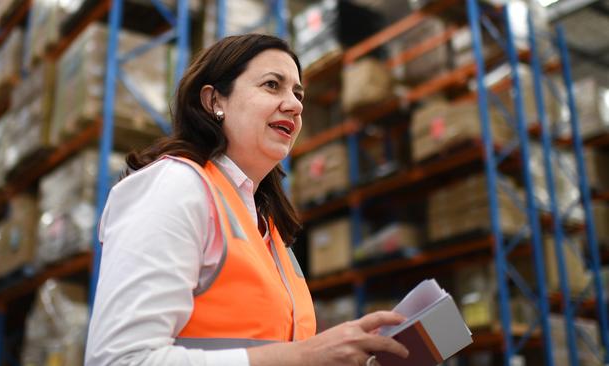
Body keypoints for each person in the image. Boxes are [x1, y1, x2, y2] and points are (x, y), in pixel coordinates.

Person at [85, 33, 409, 366]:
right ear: (214, 102)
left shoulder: (268, 230)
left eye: (298, 93)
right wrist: (301, 356)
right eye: (272, 85)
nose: (295, 104)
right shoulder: (174, 186)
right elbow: (120, 360)